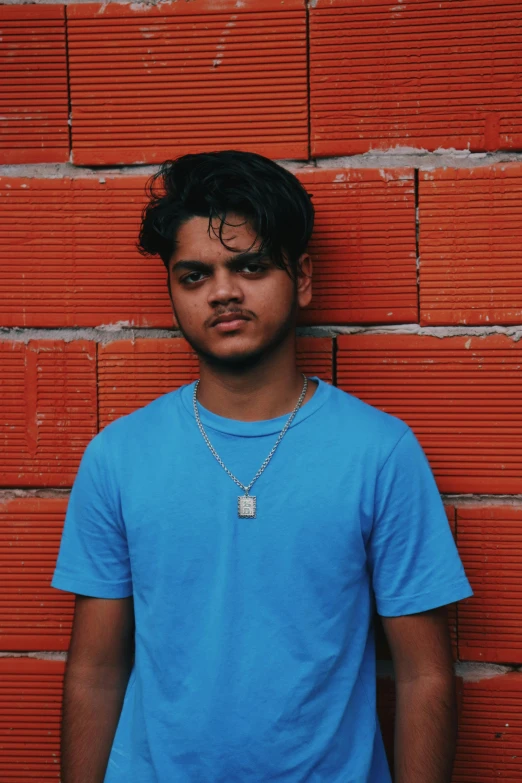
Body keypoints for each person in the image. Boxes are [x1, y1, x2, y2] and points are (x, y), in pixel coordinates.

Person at [51, 150, 473, 783]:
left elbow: (425, 675)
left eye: (249, 266)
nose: (223, 291)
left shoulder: (379, 451)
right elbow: (96, 672)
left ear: (301, 278)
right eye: (194, 275)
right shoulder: (119, 455)